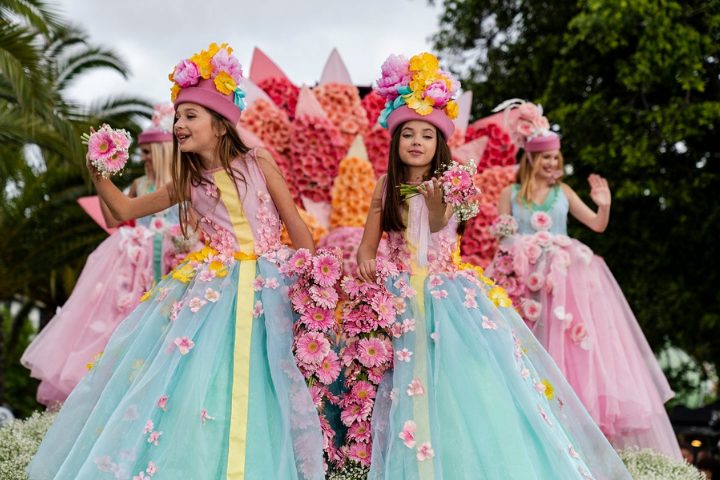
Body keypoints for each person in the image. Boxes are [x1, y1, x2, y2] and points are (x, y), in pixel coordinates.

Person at [27, 43, 324, 480]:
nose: (180, 125)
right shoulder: (190, 182)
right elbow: (123, 213)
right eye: (179, 117)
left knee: (265, 381)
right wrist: (100, 174)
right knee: (207, 385)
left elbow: (296, 227)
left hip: (269, 285)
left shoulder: (258, 162)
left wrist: (312, 283)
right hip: (215, 296)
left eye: (191, 116)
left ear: (221, 124)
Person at [358, 52, 631, 479]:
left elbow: (437, 226)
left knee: (461, 388)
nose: (416, 142)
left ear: (439, 143)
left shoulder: (452, 182)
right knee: (399, 389)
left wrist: (433, 205)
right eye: (407, 133)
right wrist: (365, 266)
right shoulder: (384, 185)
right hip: (397, 295)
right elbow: (368, 244)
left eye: (426, 135)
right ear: (395, 142)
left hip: (444, 297)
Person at [488, 99, 681, 459]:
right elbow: (502, 238)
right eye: (545, 158)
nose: (551, 165)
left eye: (555, 159)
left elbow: (596, 225)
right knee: (527, 347)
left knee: (568, 350)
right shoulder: (509, 194)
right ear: (530, 159)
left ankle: (574, 433)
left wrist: (603, 203)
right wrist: (517, 246)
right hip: (524, 282)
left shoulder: (564, 194)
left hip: (565, 286)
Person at [21, 104, 180, 407]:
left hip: (166, 267)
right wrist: (101, 175)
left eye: (148, 151)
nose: (143, 157)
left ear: (163, 150)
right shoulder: (139, 185)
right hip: (132, 272)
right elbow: (113, 218)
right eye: (142, 151)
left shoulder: (180, 186)